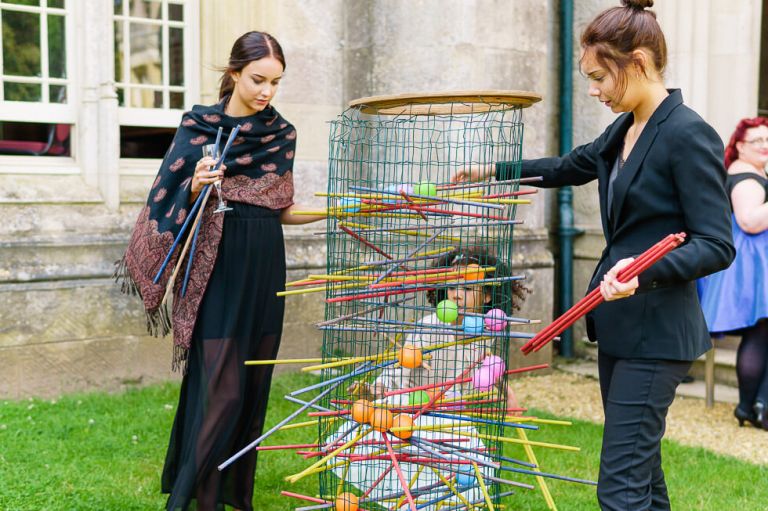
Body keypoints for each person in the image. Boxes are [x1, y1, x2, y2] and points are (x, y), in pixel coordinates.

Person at [453, 1, 735, 509]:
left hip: (658, 334)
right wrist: (491, 171)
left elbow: (715, 243)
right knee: (642, 479)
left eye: (600, 76)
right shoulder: (623, 131)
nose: (593, 90)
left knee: (619, 489)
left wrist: (641, 272)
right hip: (619, 326)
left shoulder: (687, 133)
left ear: (641, 62)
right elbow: (566, 165)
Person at [115, 31, 324, 511]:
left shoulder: (282, 133)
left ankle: (221, 496)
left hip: (266, 263)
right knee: (222, 389)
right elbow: (168, 194)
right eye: (257, 79)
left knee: (250, 387)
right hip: (218, 263)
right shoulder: (199, 125)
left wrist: (336, 213)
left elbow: (283, 209)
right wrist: (196, 184)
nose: (266, 91)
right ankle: (185, 498)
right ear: (234, 73)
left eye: (275, 81)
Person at [349, 248, 527, 409]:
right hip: (410, 408)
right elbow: (398, 368)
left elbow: (488, 367)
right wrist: (376, 389)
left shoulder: (485, 332)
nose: (456, 295)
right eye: (451, 287)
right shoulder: (428, 327)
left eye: (467, 289)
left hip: (452, 417)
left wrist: (508, 395)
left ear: (487, 296)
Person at [698, 117, 768, 430]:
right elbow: (750, 220)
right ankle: (750, 406)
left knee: (761, 333)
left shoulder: (751, 171)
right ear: (739, 145)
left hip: (753, 263)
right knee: (760, 332)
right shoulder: (745, 176)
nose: (765, 146)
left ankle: (753, 406)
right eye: (757, 141)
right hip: (752, 265)